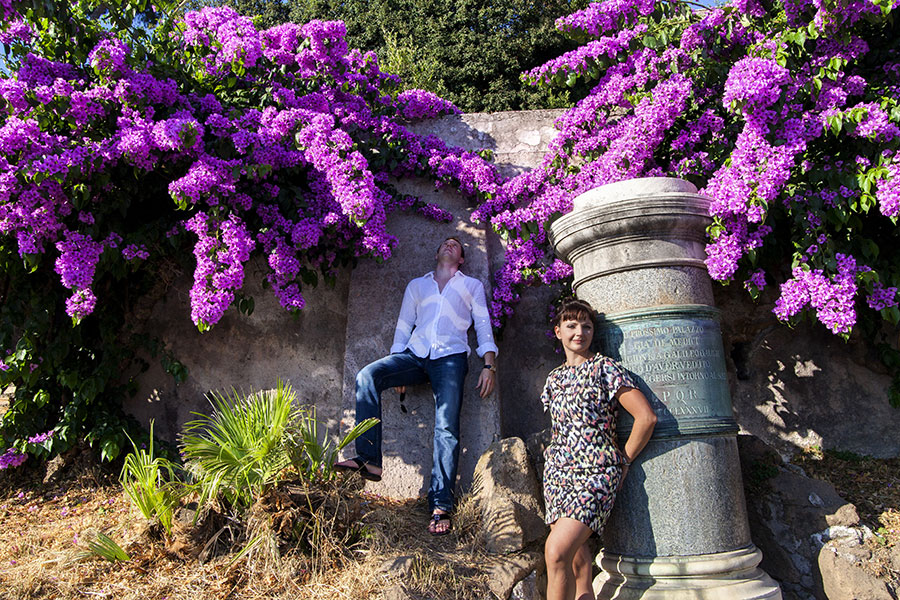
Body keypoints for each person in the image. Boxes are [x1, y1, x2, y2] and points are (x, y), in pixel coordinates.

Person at [335, 236, 498, 535]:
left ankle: (441, 503)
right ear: (436, 252)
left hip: (450, 359)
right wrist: (397, 366)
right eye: (445, 243)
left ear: (461, 259)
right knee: (366, 376)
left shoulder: (470, 285)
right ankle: (369, 460)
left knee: (446, 427)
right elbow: (403, 325)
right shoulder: (416, 286)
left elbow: (483, 324)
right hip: (414, 355)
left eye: (456, 245)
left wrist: (489, 365)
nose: (449, 245)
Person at [541, 298, 657, 600]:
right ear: (558, 331)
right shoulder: (554, 379)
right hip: (558, 477)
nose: (580, 332)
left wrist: (624, 461)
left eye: (587, 326)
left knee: (555, 552)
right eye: (572, 325)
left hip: (595, 475)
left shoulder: (604, 368)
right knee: (579, 565)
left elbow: (646, 417)